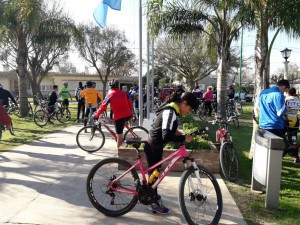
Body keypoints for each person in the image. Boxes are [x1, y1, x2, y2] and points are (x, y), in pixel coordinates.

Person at [143, 89, 198, 214]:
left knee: (155, 174)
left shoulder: (173, 110)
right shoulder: (170, 111)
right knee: (154, 175)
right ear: (184, 103)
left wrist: (179, 133)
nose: (189, 112)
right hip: (153, 146)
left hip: (156, 145)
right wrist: (183, 138)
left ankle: (152, 194)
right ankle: (151, 201)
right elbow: (166, 135)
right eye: (190, 109)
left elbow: (166, 128)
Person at [93, 80, 133, 148]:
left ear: (110, 87)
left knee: (119, 137)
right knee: (121, 130)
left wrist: (97, 115)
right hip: (128, 114)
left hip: (119, 117)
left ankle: (119, 155)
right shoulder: (124, 93)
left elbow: (103, 106)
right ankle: (129, 129)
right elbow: (131, 104)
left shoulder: (109, 95)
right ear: (118, 86)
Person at [285, 87, 300, 163]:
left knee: (282, 136)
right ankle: (296, 157)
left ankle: (280, 153)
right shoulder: (298, 100)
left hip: (286, 120)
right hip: (295, 120)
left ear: (288, 93)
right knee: (294, 138)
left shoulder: (286, 99)